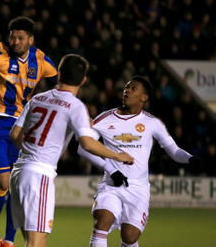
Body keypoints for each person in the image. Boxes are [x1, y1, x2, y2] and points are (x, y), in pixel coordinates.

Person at [8, 54, 134, 247]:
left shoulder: (38, 98)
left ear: (59, 74)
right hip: (39, 175)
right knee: (36, 243)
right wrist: (118, 155)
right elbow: (87, 143)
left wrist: (32, 152)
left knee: (32, 241)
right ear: (83, 80)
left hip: (18, 173)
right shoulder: (75, 106)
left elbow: (15, 134)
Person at [78, 75, 203, 247]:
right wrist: (111, 169)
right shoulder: (105, 118)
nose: (127, 90)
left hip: (138, 189)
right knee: (102, 223)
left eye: (133, 88)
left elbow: (173, 150)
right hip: (111, 184)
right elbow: (83, 147)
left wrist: (190, 159)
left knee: (130, 237)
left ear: (144, 97)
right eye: (126, 88)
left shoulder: (152, 123)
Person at [0, 16, 58, 247]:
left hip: (21, 126)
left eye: (20, 38)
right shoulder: (0, 52)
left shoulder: (41, 59)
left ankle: (8, 240)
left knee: (15, 185)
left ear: (30, 39)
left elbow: (57, 81)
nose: (15, 42)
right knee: (4, 182)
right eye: (12, 37)